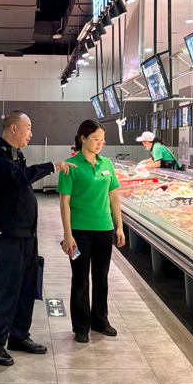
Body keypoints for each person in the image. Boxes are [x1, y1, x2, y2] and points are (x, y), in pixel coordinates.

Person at [0, 111, 75, 366]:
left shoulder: (16, 153)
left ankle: (19, 335)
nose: (31, 134)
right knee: (7, 288)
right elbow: (19, 177)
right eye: (28, 128)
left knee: (27, 286)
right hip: (9, 233)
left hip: (26, 232)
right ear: (13, 128)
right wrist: (51, 166)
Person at [58, 120, 126, 343]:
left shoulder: (106, 164)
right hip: (80, 231)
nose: (100, 143)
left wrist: (119, 226)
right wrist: (68, 235)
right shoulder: (70, 165)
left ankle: (100, 320)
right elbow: (64, 202)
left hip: (104, 229)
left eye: (102, 140)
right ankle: (81, 326)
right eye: (96, 139)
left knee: (101, 277)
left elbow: (113, 197)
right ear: (83, 138)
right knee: (80, 279)